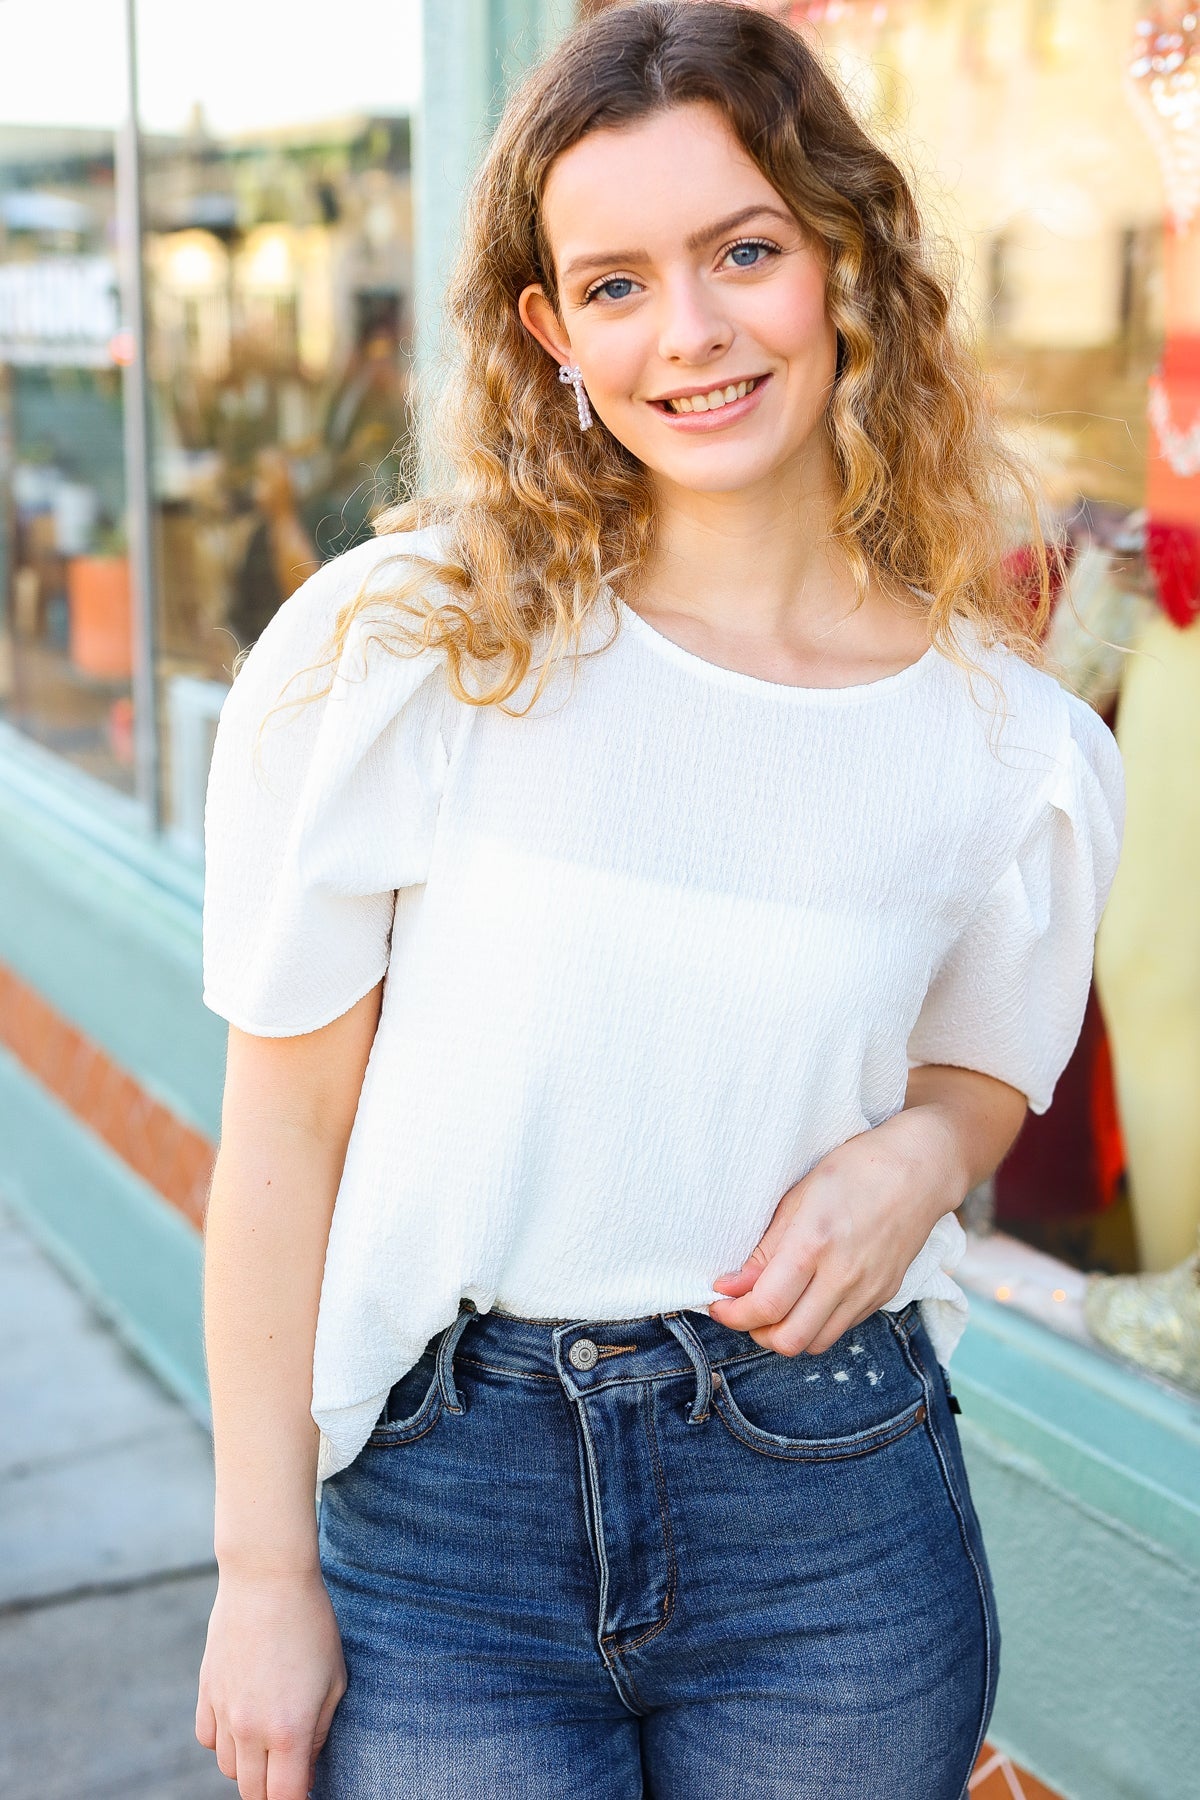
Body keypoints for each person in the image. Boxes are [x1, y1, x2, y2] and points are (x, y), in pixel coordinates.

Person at [194, 5, 1123, 1797]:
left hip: (829, 1516)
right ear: (549, 332)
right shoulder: (412, 654)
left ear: (846, 262)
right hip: (441, 1514)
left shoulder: (1001, 746)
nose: (687, 334)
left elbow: (990, 1061)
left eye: (745, 252)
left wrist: (924, 1158)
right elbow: (283, 1144)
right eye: (614, 284)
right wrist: (257, 1573)